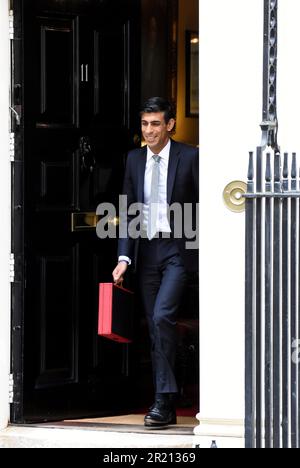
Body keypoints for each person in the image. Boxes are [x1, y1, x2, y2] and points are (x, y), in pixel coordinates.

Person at [112, 97, 199, 428]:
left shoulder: (190, 156)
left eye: (156, 124)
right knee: (154, 323)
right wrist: (123, 257)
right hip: (146, 251)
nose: (149, 131)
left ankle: (165, 398)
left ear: (170, 125)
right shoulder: (134, 160)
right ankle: (166, 402)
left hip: (178, 250)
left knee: (163, 315)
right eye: (145, 124)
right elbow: (127, 209)